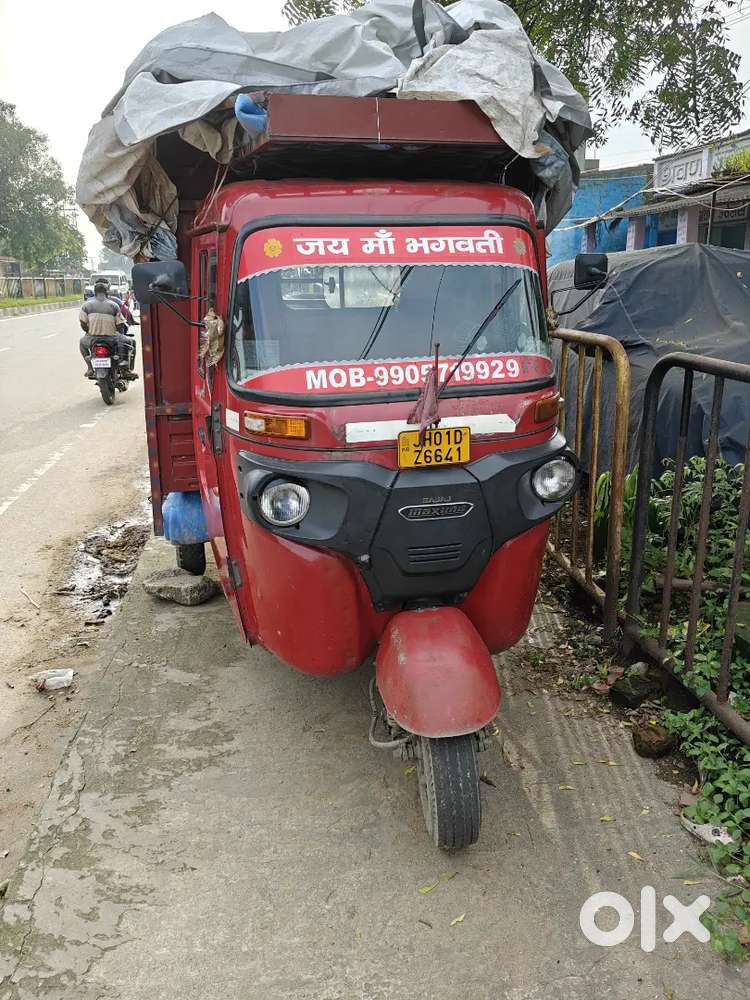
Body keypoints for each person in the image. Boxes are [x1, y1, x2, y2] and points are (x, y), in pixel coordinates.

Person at [79, 281, 137, 379]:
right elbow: (119, 325)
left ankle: (89, 368)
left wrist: (89, 331)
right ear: (107, 292)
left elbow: (83, 323)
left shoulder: (86, 305)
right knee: (130, 342)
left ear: (95, 292)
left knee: (82, 343)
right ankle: (126, 370)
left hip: (92, 338)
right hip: (111, 338)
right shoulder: (114, 305)